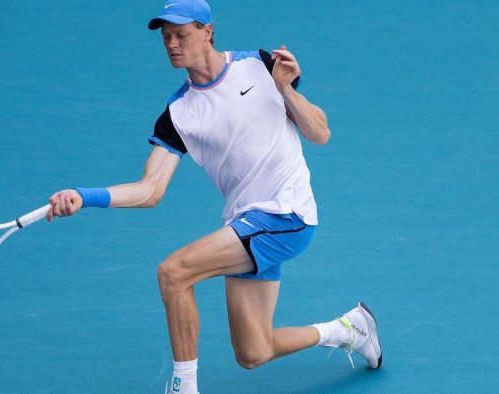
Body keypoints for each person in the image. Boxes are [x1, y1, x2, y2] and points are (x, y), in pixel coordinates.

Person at [46, 0, 382, 392]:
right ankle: (348, 330)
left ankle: (183, 388)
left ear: (207, 31)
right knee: (253, 352)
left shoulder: (260, 65)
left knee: (173, 273)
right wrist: (84, 197)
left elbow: (319, 132)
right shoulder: (179, 112)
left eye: (181, 34)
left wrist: (284, 87)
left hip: (285, 213)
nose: (172, 44)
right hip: (246, 224)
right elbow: (150, 189)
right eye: (166, 37)